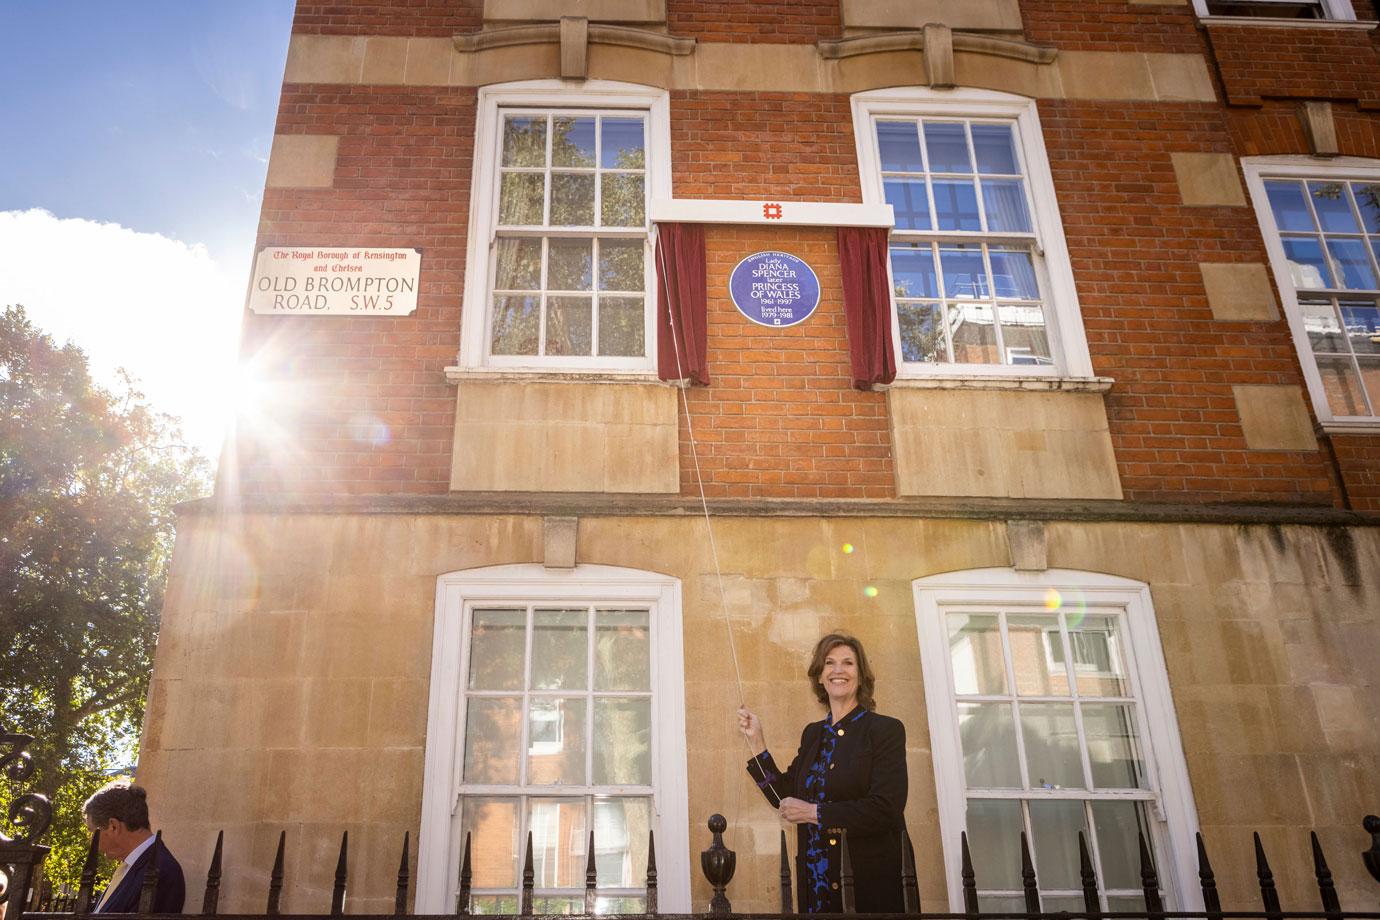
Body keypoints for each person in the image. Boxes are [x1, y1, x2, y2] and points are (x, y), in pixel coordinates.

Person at [739, 632, 907, 914]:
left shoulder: (885, 730)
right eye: (829, 663)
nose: (838, 670)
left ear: (861, 675)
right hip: (815, 887)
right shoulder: (813, 734)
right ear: (819, 676)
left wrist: (815, 813)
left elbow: (886, 808)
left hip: (867, 889)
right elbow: (784, 796)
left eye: (848, 663)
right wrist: (757, 741)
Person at [82, 781, 185, 914]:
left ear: (113, 826)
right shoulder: (132, 866)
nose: (90, 840)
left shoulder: (160, 871)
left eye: (92, 831)